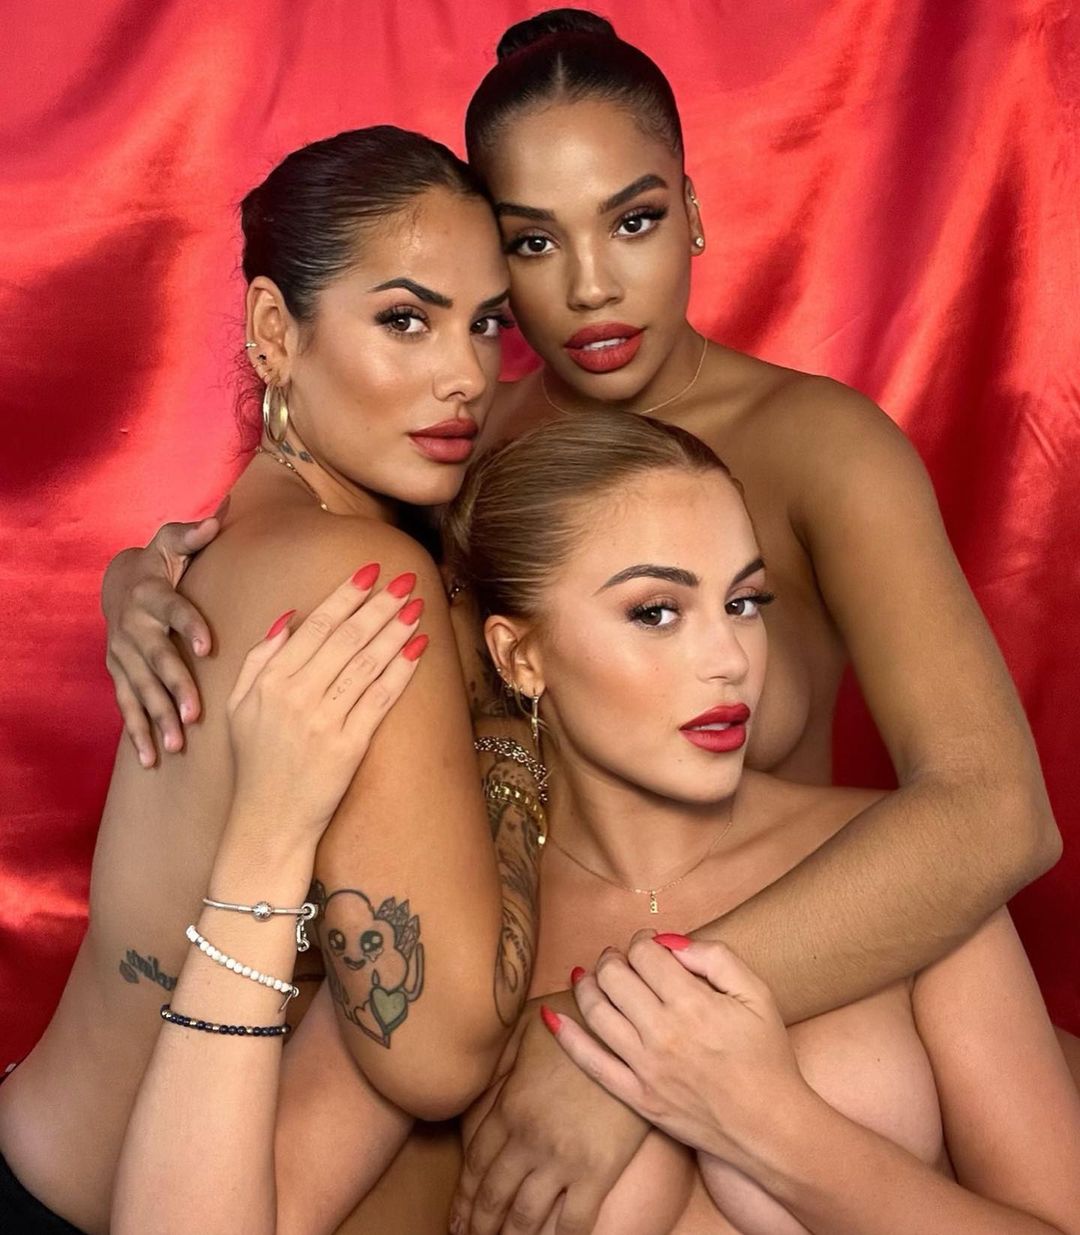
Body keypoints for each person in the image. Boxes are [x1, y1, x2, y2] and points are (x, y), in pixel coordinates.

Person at [99, 10, 1066, 1228]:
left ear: (694, 211)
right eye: (533, 242)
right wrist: (144, 580)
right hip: (525, 955)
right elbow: (307, 544)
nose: (593, 284)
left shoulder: (823, 447)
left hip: (816, 978)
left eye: (635, 219)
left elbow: (997, 810)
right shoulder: (460, 452)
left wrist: (630, 1043)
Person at [116, 410, 1080, 1234]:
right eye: (656, 611)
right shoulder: (466, 934)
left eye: (745, 602)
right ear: (519, 655)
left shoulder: (898, 872)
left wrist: (772, 1126)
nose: (730, 658)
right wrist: (269, 837)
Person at [0, 126, 546, 1235]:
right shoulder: (361, 576)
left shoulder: (234, 545)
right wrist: (517, 719)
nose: (466, 375)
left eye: (487, 323)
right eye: (406, 318)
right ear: (272, 331)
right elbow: (440, 1051)